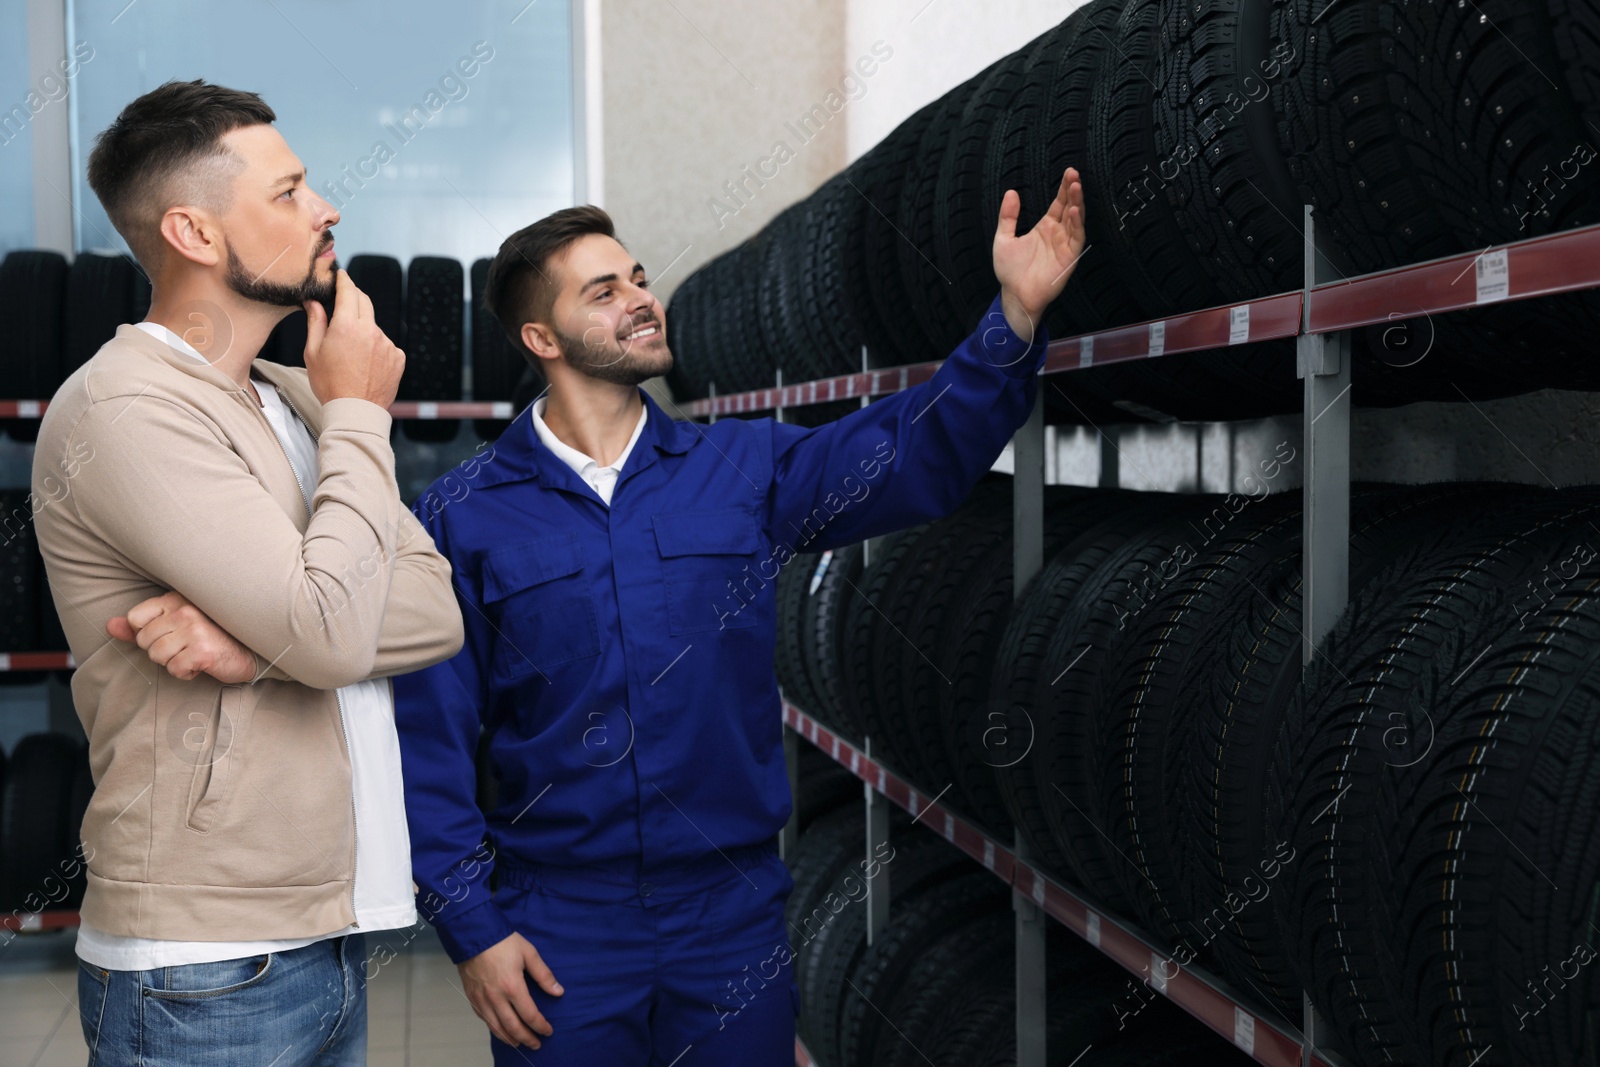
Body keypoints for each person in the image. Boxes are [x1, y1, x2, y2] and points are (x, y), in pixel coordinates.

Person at [392, 167, 1088, 1065]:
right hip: (561, 922)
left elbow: (914, 453)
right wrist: (472, 927)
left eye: (639, 278)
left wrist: (1014, 320)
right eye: (604, 293)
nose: (640, 301)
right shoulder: (464, 512)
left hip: (728, 916)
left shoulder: (741, 465)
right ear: (541, 336)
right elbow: (427, 738)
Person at [30, 79, 464, 1065]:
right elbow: (329, 631)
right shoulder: (126, 408)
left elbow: (435, 609)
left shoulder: (292, 396)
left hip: (322, 931)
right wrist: (361, 416)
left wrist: (260, 642)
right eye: (290, 191)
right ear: (193, 229)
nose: (327, 209)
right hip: (206, 964)